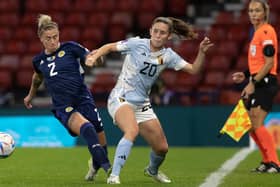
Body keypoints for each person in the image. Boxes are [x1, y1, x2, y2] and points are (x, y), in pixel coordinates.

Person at [86, 16, 213, 184]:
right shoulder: (137, 44)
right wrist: (93, 57)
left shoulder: (168, 56)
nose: (158, 35)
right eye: (156, 31)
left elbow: (194, 69)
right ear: (150, 31)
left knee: (162, 148)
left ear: (169, 36)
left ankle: (152, 170)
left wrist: (201, 52)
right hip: (121, 98)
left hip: (142, 104)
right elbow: (109, 47)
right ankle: (114, 175)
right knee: (131, 131)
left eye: (163, 33)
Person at [23, 14, 111, 181]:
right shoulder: (38, 61)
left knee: (99, 131)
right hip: (63, 105)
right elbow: (37, 78)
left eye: (55, 37)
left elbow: (90, 58)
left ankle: (95, 165)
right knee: (87, 128)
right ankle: (109, 169)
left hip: (83, 97)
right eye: (48, 38)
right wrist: (30, 95)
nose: (53, 41)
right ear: (40, 39)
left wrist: (95, 60)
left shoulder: (70, 48)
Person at [232, 0, 280, 173]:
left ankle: (275, 163)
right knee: (250, 124)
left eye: (257, 10)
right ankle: (267, 162)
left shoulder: (266, 31)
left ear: (264, 12)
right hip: (259, 81)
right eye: (251, 10)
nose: (253, 14)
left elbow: (269, 63)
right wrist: (245, 75)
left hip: (265, 83)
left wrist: (252, 83)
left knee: (257, 122)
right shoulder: (258, 32)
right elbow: (258, 62)